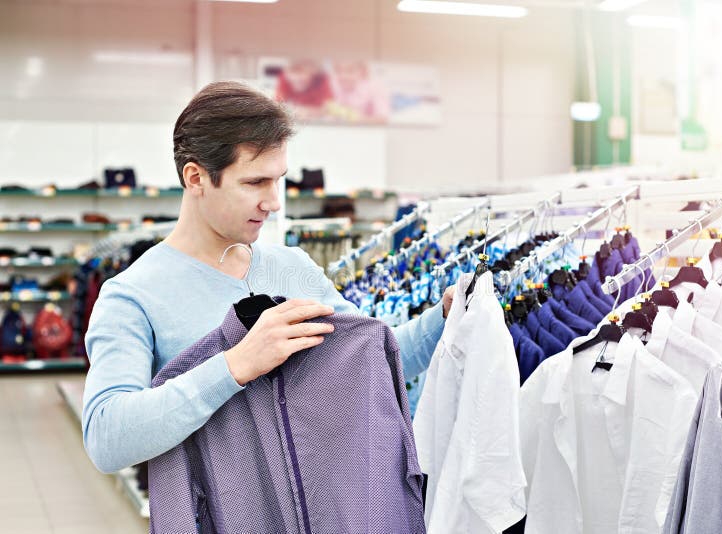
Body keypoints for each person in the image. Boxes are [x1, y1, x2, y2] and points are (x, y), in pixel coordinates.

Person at [82, 81, 455, 474]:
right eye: (255, 182)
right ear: (196, 178)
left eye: (278, 180)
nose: (274, 202)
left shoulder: (293, 268)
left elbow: (375, 361)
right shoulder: (133, 295)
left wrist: (443, 319)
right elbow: (107, 437)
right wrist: (237, 364)